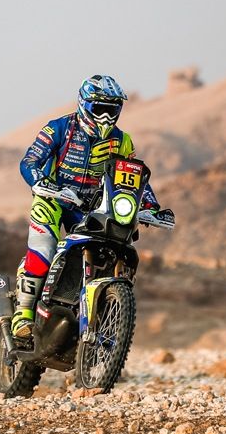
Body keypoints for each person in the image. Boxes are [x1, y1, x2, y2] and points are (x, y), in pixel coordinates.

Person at [11, 74, 173, 338]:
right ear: (84, 104)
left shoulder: (122, 141)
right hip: (52, 199)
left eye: (112, 109)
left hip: (90, 207)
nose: (106, 116)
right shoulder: (59, 128)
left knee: (111, 249)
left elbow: (134, 178)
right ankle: (24, 315)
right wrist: (39, 181)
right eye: (100, 108)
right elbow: (28, 161)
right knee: (44, 248)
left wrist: (152, 206)